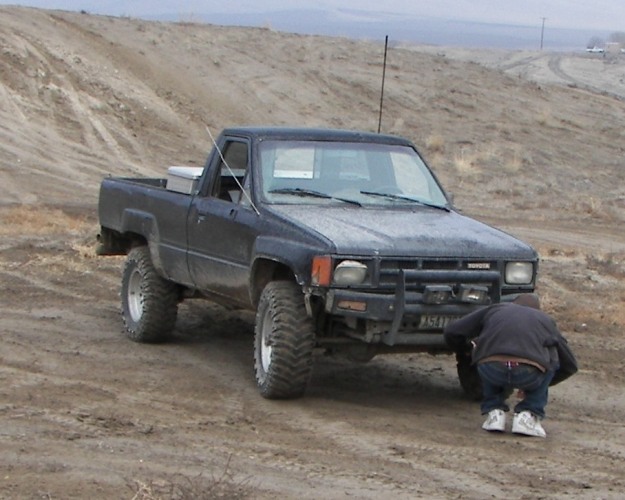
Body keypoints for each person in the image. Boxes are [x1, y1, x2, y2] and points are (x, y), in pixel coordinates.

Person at [444, 294, 577, 438]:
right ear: (538, 310)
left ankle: (494, 413)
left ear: (512, 304)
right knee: (552, 355)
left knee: (487, 352)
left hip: (491, 370)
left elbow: (452, 331)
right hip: (528, 374)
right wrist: (537, 386)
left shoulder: (495, 309)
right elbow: (569, 364)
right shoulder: (545, 320)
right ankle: (528, 414)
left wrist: (466, 351)